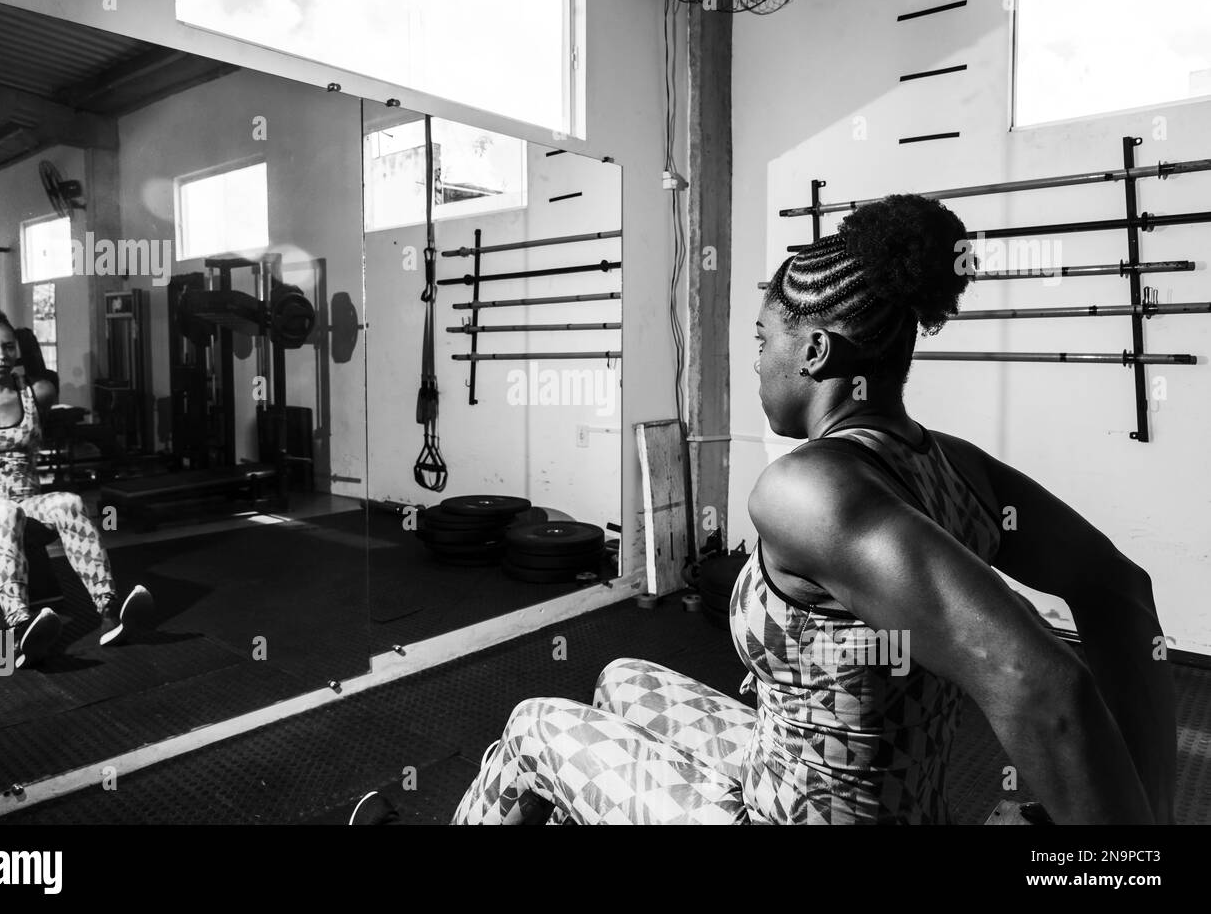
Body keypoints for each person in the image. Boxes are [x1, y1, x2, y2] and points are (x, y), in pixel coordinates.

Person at [451, 194, 1175, 825]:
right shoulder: (958, 467)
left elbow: (1039, 681)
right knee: (619, 679)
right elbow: (1120, 590)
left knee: (531, 728)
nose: (759, 360)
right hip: (830, 784)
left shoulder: (807, 489)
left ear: (817, 351)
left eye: (764, 339)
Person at [0, 306, 155, 668]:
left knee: (68, 502)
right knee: (3, 512)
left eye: (9, 347)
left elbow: (44, 374)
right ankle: (20, 628)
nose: (0, 355)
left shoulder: (36, 392)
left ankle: (111, 609)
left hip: (26, 504)